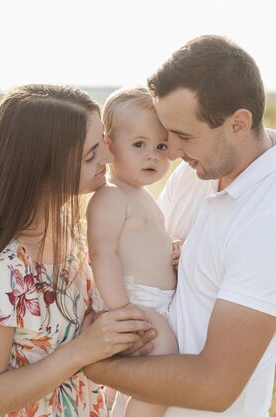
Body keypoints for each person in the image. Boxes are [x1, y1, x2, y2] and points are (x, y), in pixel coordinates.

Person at [83, 35, 276, 417]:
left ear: (238, 124)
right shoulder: (196, 172)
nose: (172, 151)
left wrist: (88, 361)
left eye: (184, 136)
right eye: (167, 133)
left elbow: (215, 386)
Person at [0, 84, 154, 417]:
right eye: (91, 155)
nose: (110, 159)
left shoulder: (74, 234)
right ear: (42, 170)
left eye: (105, 143)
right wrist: (83, 349)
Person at [87, 86, 179, 417]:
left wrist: (173, 252)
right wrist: (121, 310)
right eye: (139, 145)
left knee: (137, 379)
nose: (152, 155)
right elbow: (103, 254)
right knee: (163, 366)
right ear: (109, 146)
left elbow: (145, 245)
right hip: (134, 302)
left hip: (151, 302)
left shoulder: (141, 194)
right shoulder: (111, 196)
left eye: (161, 145)